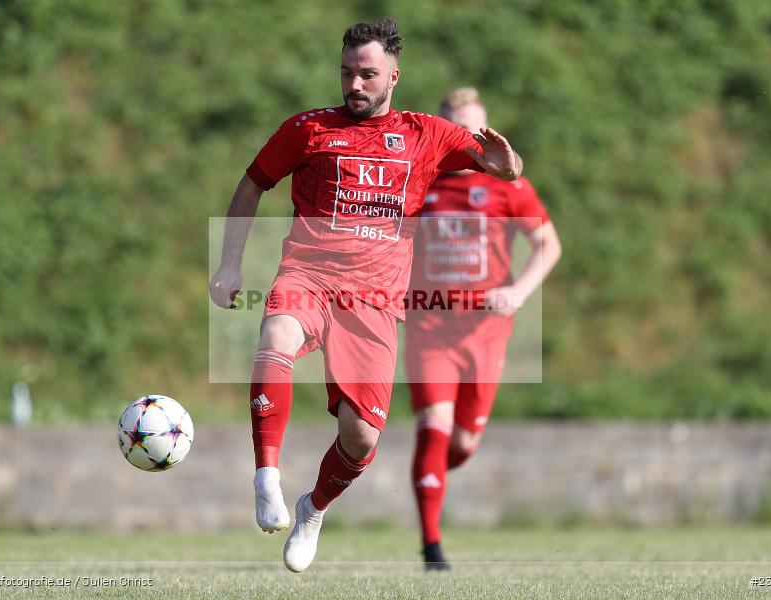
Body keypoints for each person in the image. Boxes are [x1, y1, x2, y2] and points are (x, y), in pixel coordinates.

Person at [209, 20, 525, 573]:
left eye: (367, 75)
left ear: (393, 78)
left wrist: (508, 165)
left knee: (359, 438)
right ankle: (266, 478)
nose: (354, 85)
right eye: (347, 73)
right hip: (307, 274)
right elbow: (253, 181)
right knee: (277, 333)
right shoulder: (308, 129)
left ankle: (313, 508)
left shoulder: (427, 134)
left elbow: (501, 167)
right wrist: (230, 263)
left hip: (375, 301)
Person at [405, 87, 562, 570]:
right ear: (445, 130)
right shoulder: (419, 179)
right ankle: (432, 547)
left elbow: (548, 246)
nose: (474, 140)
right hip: (430, 325)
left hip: (487, 331)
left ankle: (430, 479)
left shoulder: (508, 185)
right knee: (435, 429)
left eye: (480, 130)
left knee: (463, 443)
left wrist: (516, 293)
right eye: (462, 130)